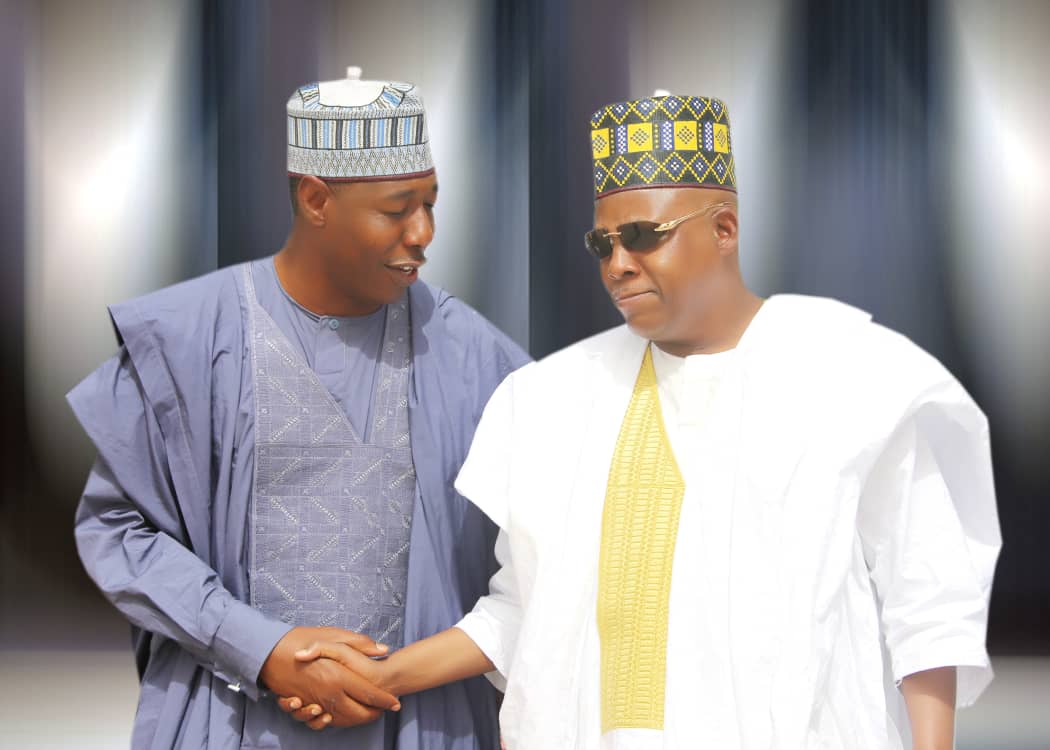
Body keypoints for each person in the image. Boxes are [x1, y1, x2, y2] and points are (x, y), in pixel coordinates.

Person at [281, 93, 1001, 750]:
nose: (618, 264)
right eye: (603, 244)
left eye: (643, 236)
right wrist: (378, 677)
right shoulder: (554, 398)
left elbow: (927, 601)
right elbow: (525, 612)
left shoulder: (850, 372)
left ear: (724, 228)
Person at [68, 68, 529, 749]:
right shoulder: (193, 337)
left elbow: (542, 558)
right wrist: (261, 648)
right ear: (316, 198)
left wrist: (396, 674)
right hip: (228, 722)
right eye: (396, 209)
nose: (423, 232)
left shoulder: (474, 354)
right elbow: (117, 527)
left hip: (418, 725)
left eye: (431, 203)